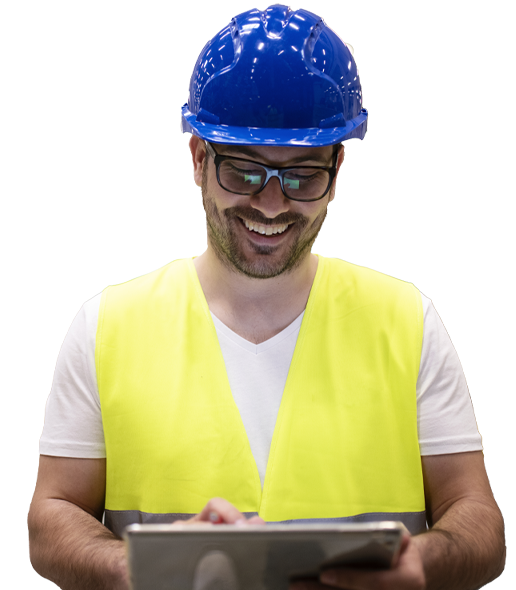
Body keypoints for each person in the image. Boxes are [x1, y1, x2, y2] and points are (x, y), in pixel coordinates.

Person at [27, 4, 506, 590]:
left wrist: (422, 564)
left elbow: (479, 525)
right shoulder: (106, 327)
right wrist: (135, 567)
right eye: (246, 172)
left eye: (302, 175)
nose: (273, 204)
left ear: (337, 167)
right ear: (199, 160)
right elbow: (50, 522)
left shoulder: (407, 322)